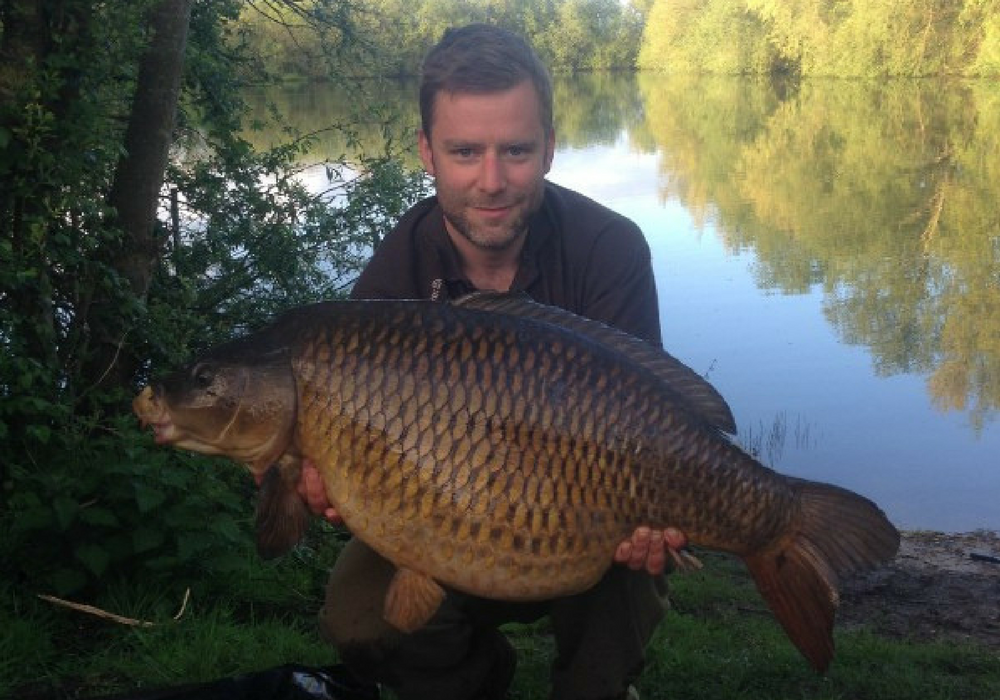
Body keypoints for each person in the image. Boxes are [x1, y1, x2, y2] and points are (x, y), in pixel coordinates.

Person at [297, 24, 678, 700]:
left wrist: (656, 511)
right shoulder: (396, 274)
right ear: (427, 152)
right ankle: (475, 678)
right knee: (359, 618)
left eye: (517, 151)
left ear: (550, 148)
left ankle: (596, 688)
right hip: (441, 517)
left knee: (633, 565)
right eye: (466, 152)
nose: (492, 181)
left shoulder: (609, 250)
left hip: (584, 522)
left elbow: (652, 424)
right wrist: (333, 478)